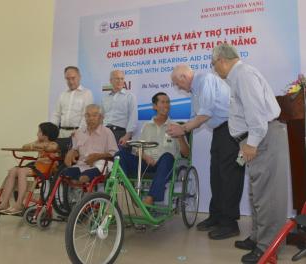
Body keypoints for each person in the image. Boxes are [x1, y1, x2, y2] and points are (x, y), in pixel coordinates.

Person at [211, 43, 288, 264]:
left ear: (222, 60)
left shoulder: (243, 75)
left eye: (214, 65)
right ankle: (257, 238)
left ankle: (267, 248)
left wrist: (252, 143)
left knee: (268, 196)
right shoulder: (238, 77)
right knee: (257, 194)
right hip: (255, 139)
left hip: (262, 139)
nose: (214, 70)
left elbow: (257, 114)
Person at [168, 65, 245, 240]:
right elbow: (195, 115)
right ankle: (216, 216)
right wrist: (180, 129)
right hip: (220, 131)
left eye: (176, 83)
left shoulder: (205, 80)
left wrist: (183, 129)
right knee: (216, 176)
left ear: (184, 76)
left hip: (231, 129)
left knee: (230, 177)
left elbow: (205, 114)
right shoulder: (195, 90)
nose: (177, 87)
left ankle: (230, 224)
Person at [117, 92, 189, 205]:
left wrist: (180, 136)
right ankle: (127, 195)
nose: (166, 105)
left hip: (165, 165)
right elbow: (137, 148)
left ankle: (150, 199)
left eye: (168, 102)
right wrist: (145, 157)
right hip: (146, 164)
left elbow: (186, 153)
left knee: (167, 156)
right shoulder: (146, 126)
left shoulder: (176, 127)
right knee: (120, 155)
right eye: (163, 102)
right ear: (154, 106)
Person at [0, 122, 59, 214]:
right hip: (37, 168)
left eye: (39, 131)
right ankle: (4, 203)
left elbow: (50, 148)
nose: (37, 134)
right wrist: (36, 145)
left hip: (46, 170)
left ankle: (19, 204)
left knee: (21, 171)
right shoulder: (39, 143)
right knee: (13, 170)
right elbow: (24, 147)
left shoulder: (54, 144)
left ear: (46, 134)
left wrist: (36, 145)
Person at [63, 104, 118, 183]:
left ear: (101, 118)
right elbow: (75, 149)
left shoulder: (107, 132)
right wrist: (71, 152)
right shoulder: (79, 132)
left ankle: (85, 194)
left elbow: (114, 153)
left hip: (100, 165)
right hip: (82, 164)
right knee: (64, 174)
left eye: (94, 115)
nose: (90, 118)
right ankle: (70, 194)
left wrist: (98, 156)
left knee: (83, 178)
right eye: (88, 115)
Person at [51, 66, 93, 137]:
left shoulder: (87, 93)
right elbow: (56, 114)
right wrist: (51, 131)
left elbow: (86, 115)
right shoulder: (62, 95)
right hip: (61, 133)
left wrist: (80, 132)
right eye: (67, 79)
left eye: (73, 78)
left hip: (77, 133)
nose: (70, 81)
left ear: (79, 77)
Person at [102, 70, 137, 145]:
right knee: (105, 156)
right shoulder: (105, 98)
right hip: (105, 132)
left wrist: (127, 136)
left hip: (121, 133)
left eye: (122, 79)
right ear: (111, 81)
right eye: (117, 78)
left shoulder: (130, 96)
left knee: (118, 157)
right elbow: (102, 117)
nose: (120, 81)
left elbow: (133, 118)